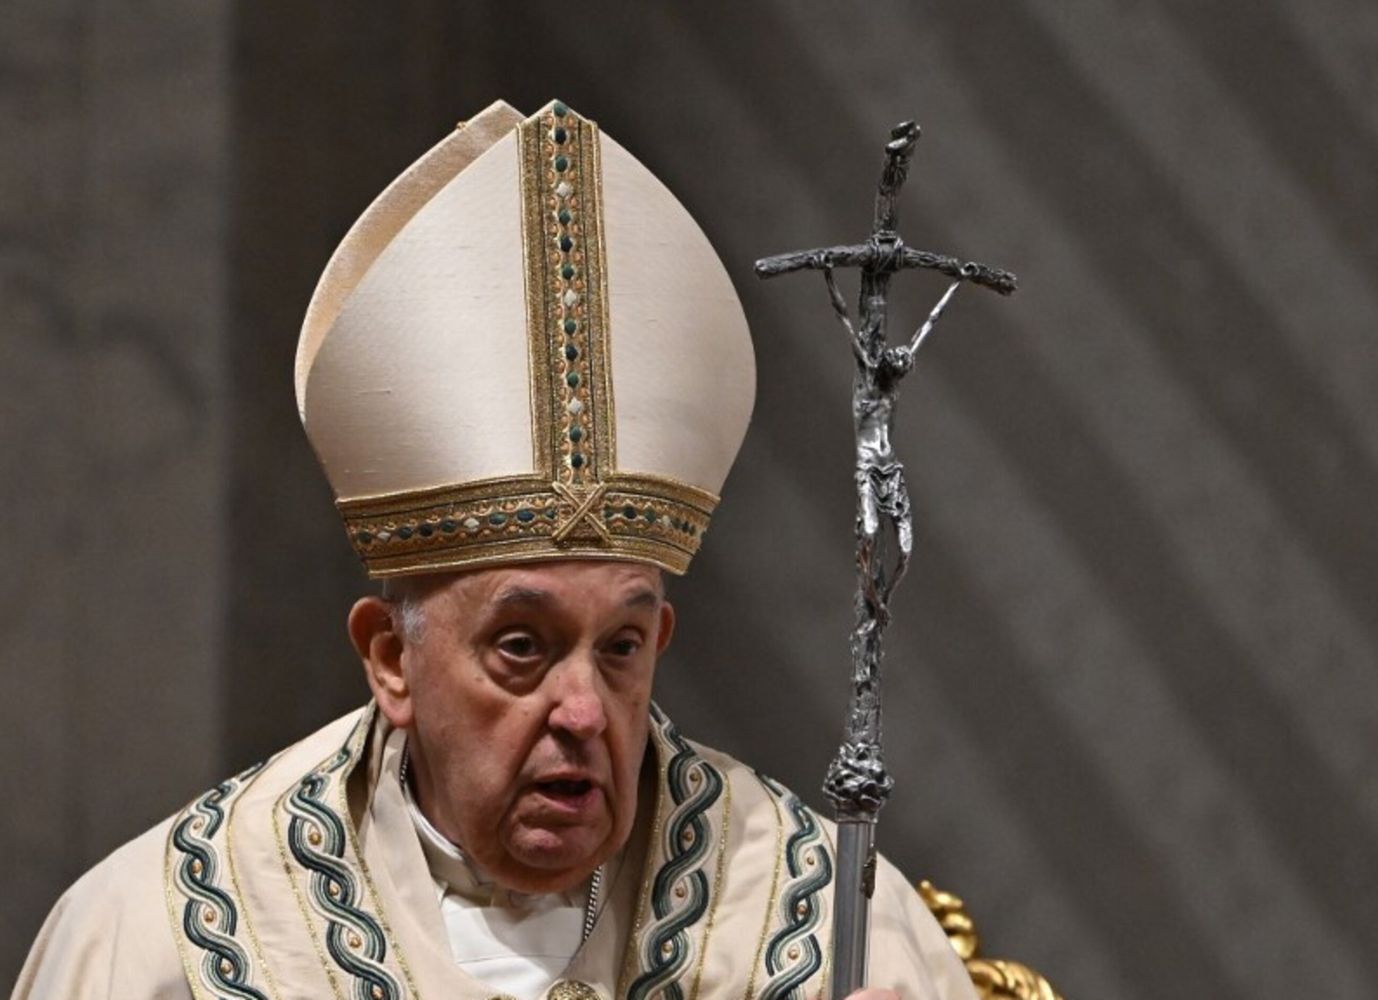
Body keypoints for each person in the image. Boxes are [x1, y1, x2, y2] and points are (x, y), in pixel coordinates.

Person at [12, 98, 974, 1000]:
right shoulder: (163, 939)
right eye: (523, 646)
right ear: (392, 658)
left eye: (622, 647)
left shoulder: (829, 926)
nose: (586, 713)